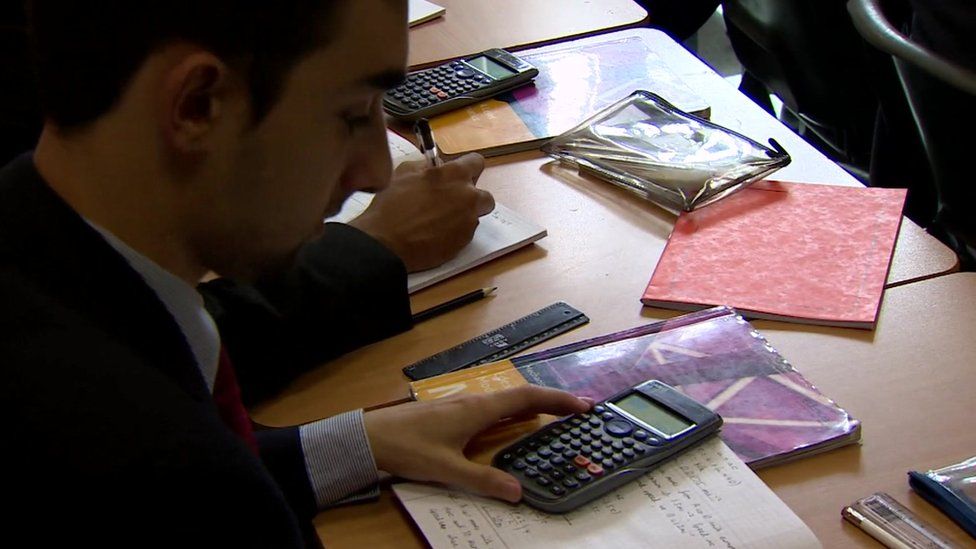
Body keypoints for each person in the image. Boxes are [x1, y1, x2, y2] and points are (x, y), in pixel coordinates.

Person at [1, 0, 591, 546]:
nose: (378, 173)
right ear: (197, 105)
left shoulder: (35, 237)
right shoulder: (165, 474)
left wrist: (348, 445)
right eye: (353, 113)